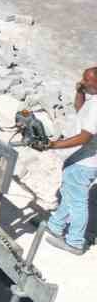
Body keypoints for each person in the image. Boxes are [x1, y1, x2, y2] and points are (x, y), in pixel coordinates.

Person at [42, 66, 97, 255]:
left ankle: (75, 242)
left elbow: (85, 137)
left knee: (78, 201)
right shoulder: (93, 101)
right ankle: (55, 226)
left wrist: (54, 145)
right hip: (82, 159)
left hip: (85, 162)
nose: (83, 81)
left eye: (87, 80)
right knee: (69, 193)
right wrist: (80, 91)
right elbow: (80, 111)